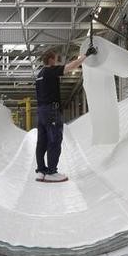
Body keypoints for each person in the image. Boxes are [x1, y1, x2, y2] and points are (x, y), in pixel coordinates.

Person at [34, 49, 93, 183]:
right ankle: (52, 172)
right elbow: (71, 66)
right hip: (51, 111)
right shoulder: (51, 71)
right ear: (51, 60)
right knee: (54, 140)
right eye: (55, 58)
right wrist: (85, 55)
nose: (57, 61)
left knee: (42, 141)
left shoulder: (39, 75)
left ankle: (41, 171)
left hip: (41, 111)